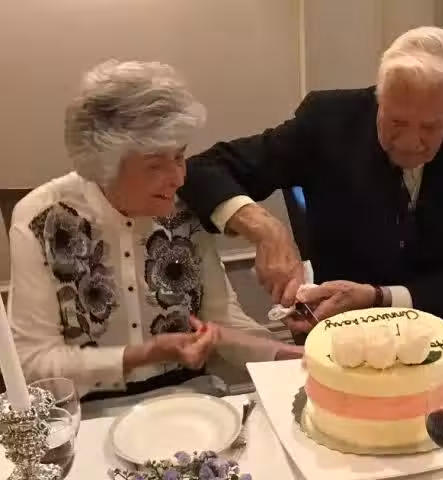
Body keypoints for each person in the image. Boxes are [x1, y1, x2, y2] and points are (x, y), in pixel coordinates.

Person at [178, 27, 443, 352]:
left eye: (430, 128)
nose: (409, 142)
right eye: (396, 121)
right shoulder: (328, 122)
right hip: (343, 334)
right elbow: (203, 169)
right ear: (379, 98)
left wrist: (378, 298)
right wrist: (267, 231)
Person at [9, 60, 302, 400]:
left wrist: (291, 357)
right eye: (155, 165)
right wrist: (142, 355)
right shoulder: (43, 219)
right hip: (85, 412)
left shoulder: (186, 206)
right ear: (104, 166)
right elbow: (32, 364)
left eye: (179, 157)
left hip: (191, 403)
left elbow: (222, 323)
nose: (178, 177)